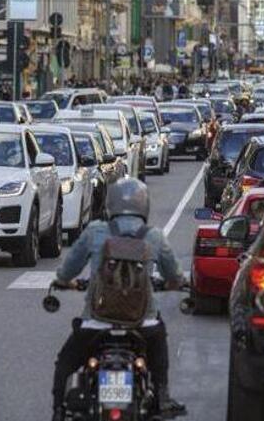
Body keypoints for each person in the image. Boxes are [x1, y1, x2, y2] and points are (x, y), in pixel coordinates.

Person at [51, 178, 186, 421]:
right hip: (142, 324)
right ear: (144, 206)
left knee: (65, 362)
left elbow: (68, 270)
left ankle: (58, 410)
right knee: (159, 349)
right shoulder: (154, 236)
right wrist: (171, 284)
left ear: (110, 204)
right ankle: (163, 396)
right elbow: (175, 276)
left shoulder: (95, 231)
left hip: (96, 321)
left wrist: (62, 281)